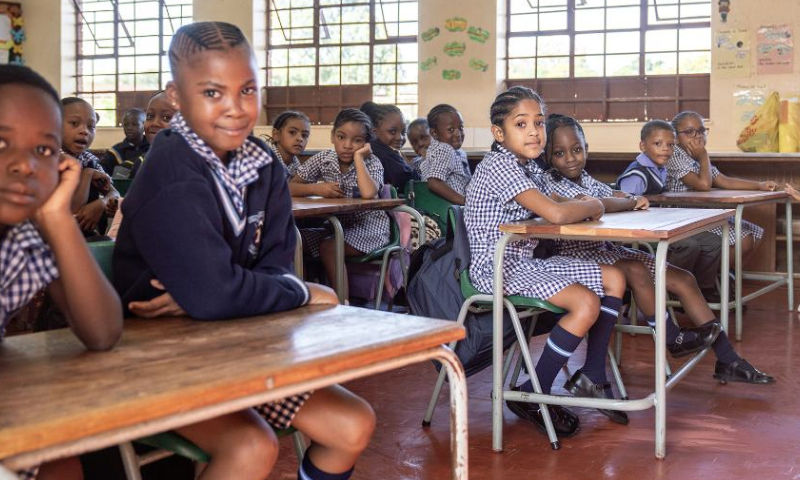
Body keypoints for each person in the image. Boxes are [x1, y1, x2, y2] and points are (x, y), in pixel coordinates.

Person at [113, 22, 375, 480]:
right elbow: (222, 294)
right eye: (213, 93)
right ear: (175, 96)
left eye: (248, 90)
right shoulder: (172, 168)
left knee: (353, 424)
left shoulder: (263, 164)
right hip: (158, 358)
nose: (235, 109)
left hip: (240, 342)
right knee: (251, 446)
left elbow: (268, 266)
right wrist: (293, 293)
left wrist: (221, 292)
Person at [543, 114, 773, 384]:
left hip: (607, 252)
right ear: (548, 155)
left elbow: (610, 196)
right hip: (575, 260)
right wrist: (617, 201)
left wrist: (622, 199)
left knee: (684, 279)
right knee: (637, 267)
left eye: (577, 150)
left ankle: (728, 360)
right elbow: (597, 203)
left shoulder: (585, 179)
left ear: (586, 149)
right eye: (559, 153)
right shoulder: (549, 183)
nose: (571, 158)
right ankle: (671, 336)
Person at [467, 86, 629, 436]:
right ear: (499, 133)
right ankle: (533, 390)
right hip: (495, 269)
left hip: (525, 263)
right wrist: (594, 206)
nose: (534, 132)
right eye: (521, 124)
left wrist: (584, 203)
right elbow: (557, 210)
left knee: (614, 277)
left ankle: (593, 374)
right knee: (585, 302)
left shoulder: (528, 169)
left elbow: (561, 199)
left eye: (538, 123)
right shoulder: (499, 166)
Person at [0, 64, 123, 480]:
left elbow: (102, 331)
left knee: (66, 464)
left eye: (44, 151)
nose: (24, 166)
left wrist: (57, 217)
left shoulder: (21, 238)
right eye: (1, 142)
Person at [616, 119, 724, 302]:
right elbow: (625, 211)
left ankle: (701, 290)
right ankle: (667, 288)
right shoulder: (636, 175)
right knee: (689, 245)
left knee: (713, 241)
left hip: (662, 226)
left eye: (670, 145)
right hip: (642, 234)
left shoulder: (659, 169)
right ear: (642, 146)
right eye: (658, 144)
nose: (665, 149)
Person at [292, 108, 391, 297]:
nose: (347, 145)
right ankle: (303, 297)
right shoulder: (323, 159)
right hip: (335, 228)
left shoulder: (372, 161)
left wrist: (359, 158)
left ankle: (341, 304)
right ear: (332, 136)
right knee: (293, 239)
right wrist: (316, 188)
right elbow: (290, 186)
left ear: (366, 144)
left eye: (357, 140)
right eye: (341, 137)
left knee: (330, 246)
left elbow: (369, 193)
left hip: (371, 228)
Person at [667, 111, 775, 263]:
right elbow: (704, 185)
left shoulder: (695, 156)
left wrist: (759, 185)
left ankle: (717, 277)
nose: (697, 136)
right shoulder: (674, 156)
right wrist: (703, 155)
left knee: (755, 232)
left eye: (702, 131)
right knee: (745, 240)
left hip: (704, 214)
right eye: (690, 132)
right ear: (676, 137)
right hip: (684, 218)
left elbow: (723, 180)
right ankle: (707, 276)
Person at [60, 97, 120, 236]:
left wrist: (102, 203)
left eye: (91, 126)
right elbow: (73, 211)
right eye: (74, 123)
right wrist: (87, 174)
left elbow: (114, 192)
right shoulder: (51, 161)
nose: (84, 131)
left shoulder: (87, 159)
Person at [418, 104, 471, 204]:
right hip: (451, 210)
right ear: (434, 133)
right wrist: (465, 202)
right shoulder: (445, 149)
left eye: (460, 128)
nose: (458, 133)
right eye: (450, 129)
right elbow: (434, 182)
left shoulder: (435, 149)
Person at [360, 101, 417, 193]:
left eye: (403, 132)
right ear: (374, 132)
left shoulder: (368, 148)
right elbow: (410, 180)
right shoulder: (386, 154)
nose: (400, 138)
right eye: (392, 132)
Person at [265, 110, 310, 182]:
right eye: (292, 132)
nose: (300, 139)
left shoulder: (296, 166)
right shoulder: (266, 163)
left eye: (304, 135)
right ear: (276, 135)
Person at [102, 107, 148, 176]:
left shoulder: (152, 148)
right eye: (126, 125)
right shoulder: (115, 152)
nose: (129, 128)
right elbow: (104, 173)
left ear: (144, 126)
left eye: (135, 124)